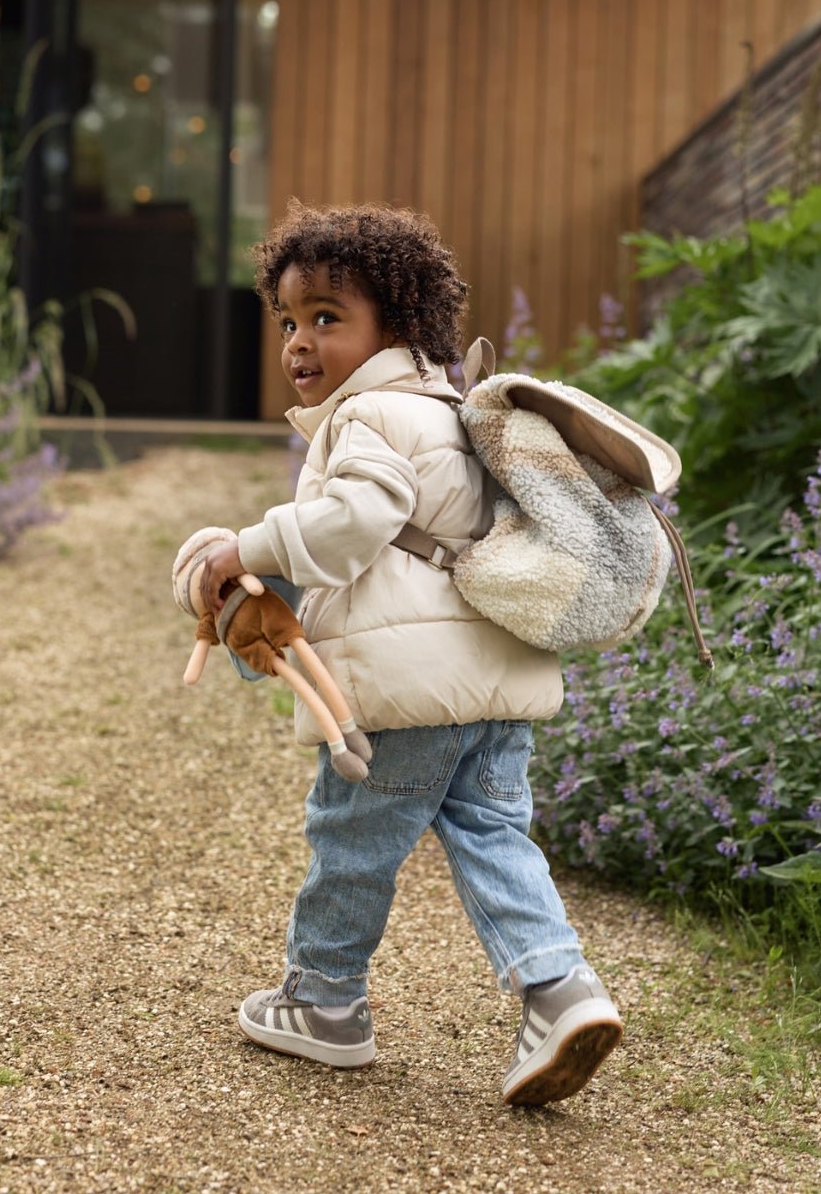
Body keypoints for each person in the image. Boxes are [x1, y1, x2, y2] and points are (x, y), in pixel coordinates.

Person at [196, 202, 622, 1106]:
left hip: (408, 696)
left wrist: (248, 549)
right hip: (497, 683)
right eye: (287, 321)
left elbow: (354, 526)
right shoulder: (459, 412)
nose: (299, 343)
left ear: (396, 322)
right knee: (492, 833)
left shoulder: (371, 418)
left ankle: (325, 1004)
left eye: (326, 317)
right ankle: (561, 989)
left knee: (351, 842)